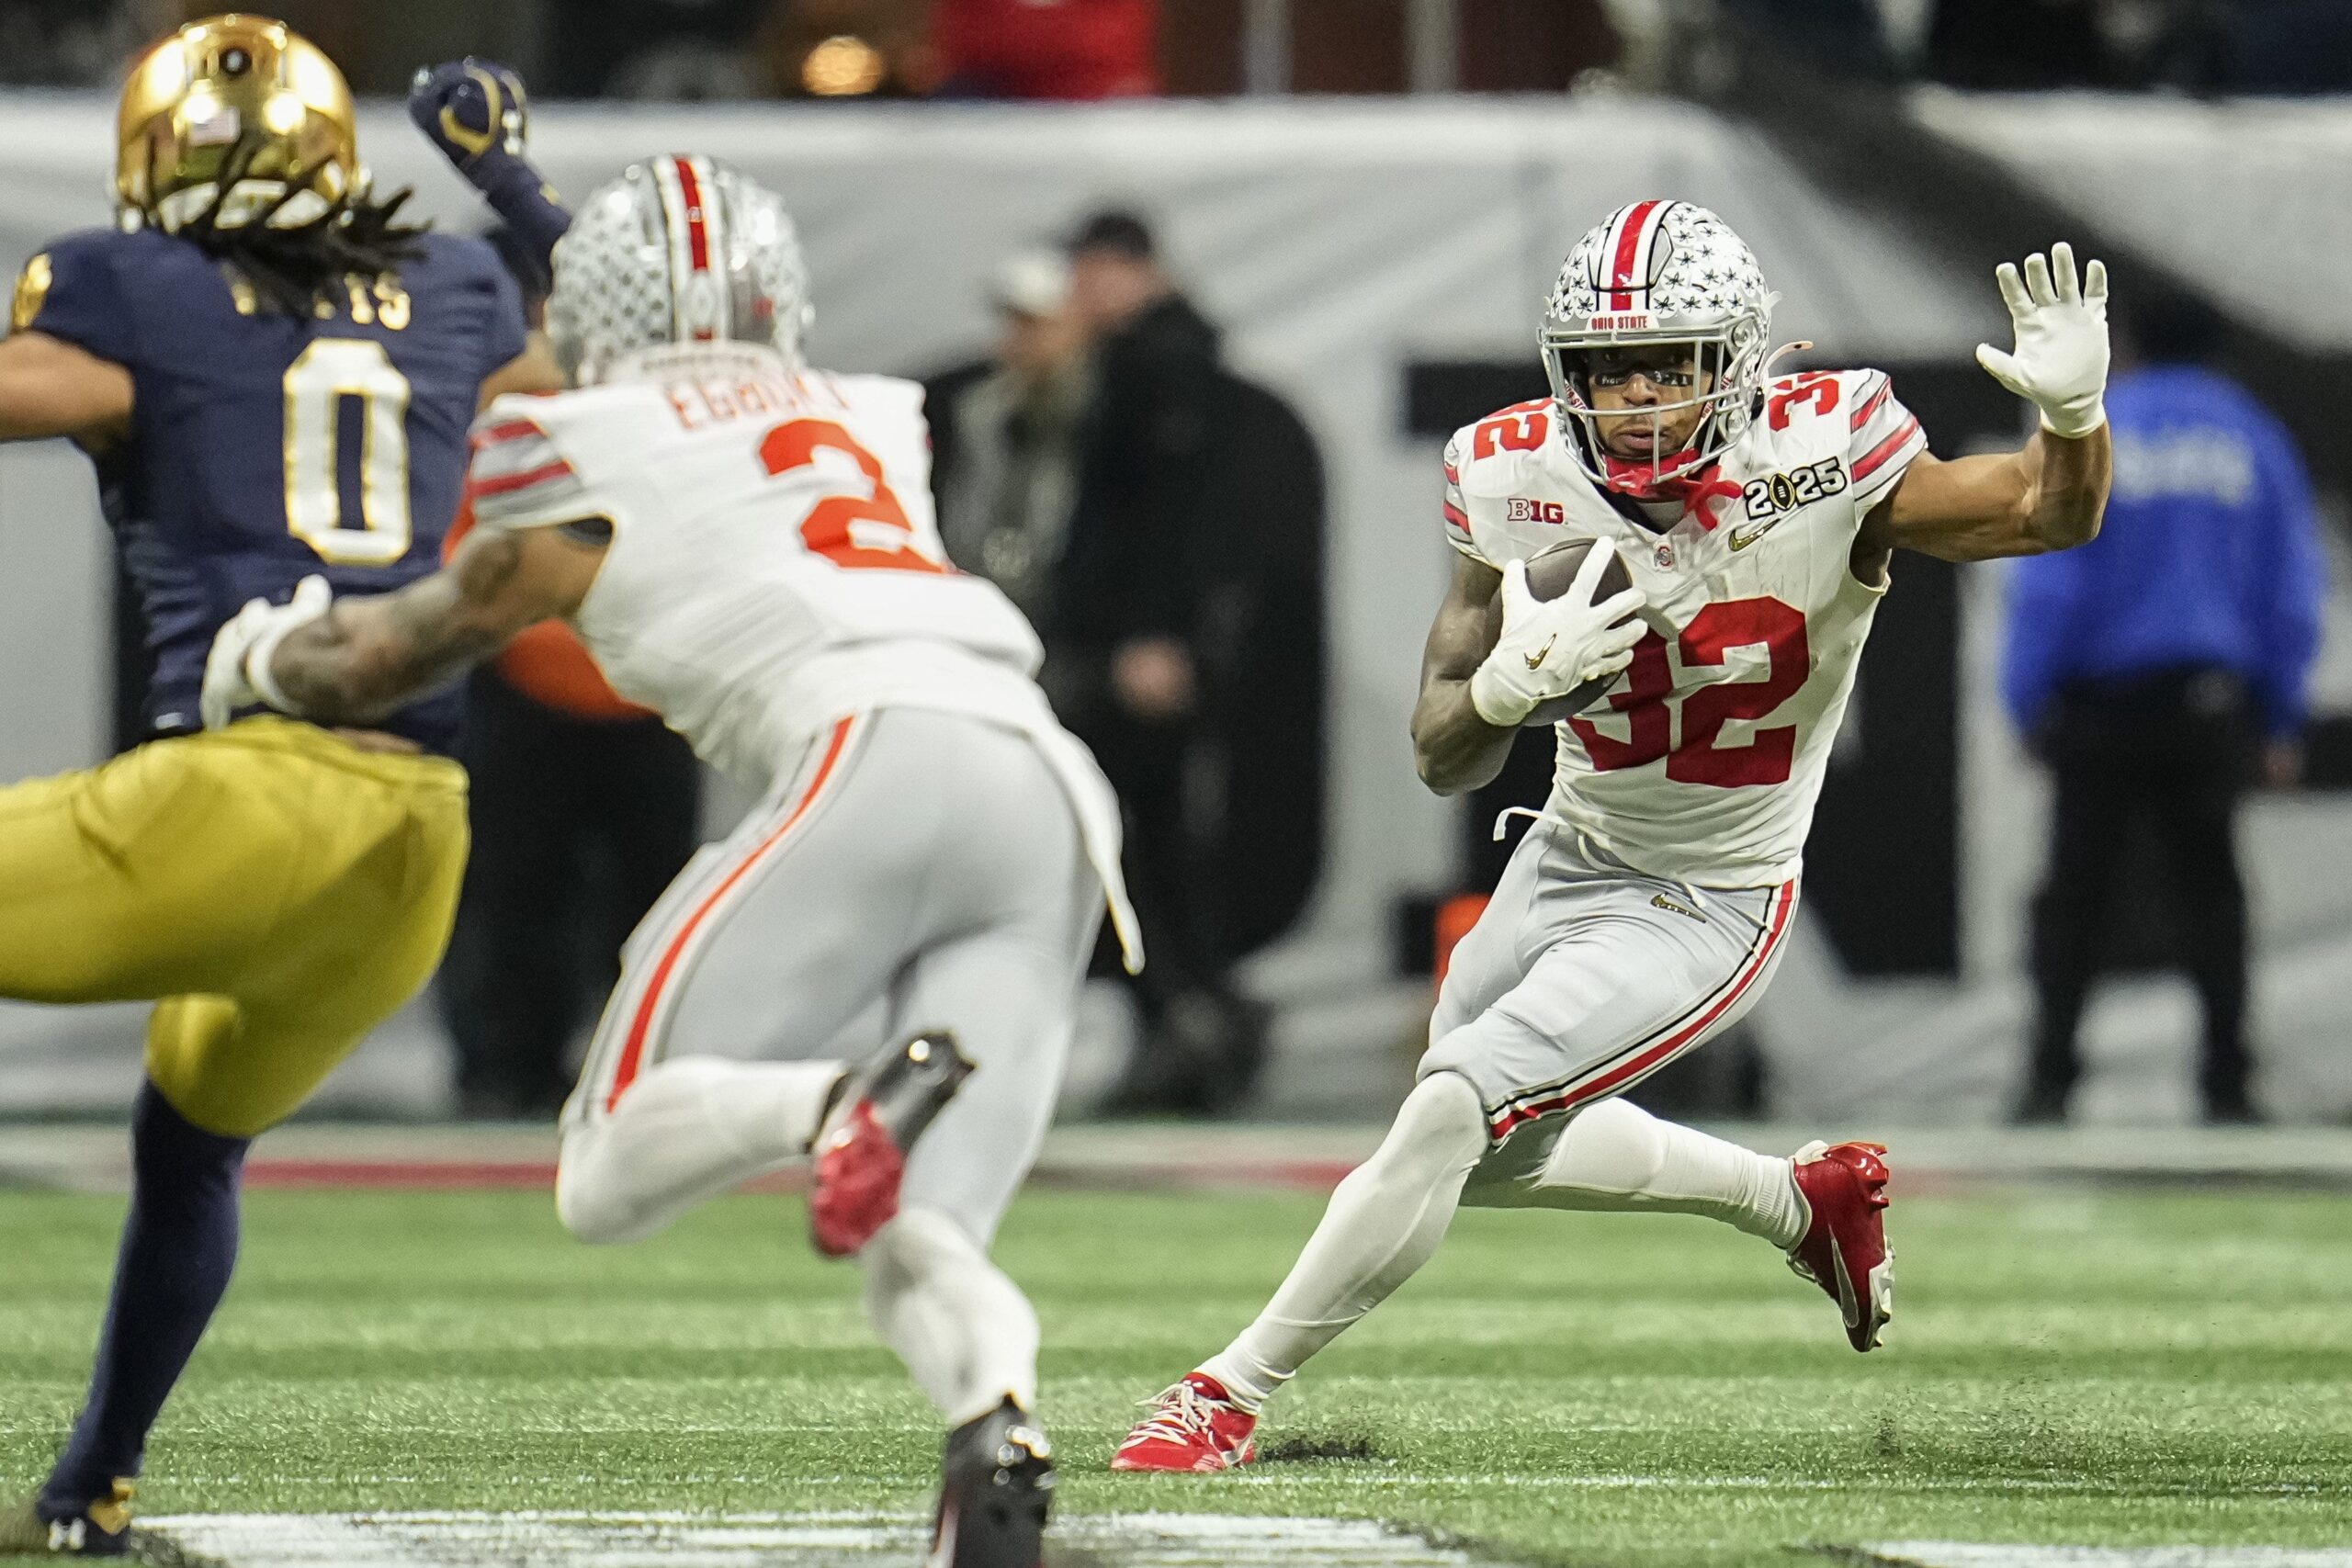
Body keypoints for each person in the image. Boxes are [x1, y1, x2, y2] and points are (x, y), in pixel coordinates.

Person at [200, 152, 1140, 1568]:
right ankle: (994, 1424)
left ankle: (837, 1099)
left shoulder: (567, 442)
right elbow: (702, 378)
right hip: (1045, 785)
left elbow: (392, 653)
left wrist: (254, 657)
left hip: (867, 753)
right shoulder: (874, 415)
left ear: (586, 308)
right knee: (922, 1223)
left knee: (604, 1165)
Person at [1114, 201, 2116, 1472]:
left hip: (1710, 889)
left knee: (1449, 1109)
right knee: (1487, 1148)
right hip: (1566, 851)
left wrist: (2074, 422)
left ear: (1740, 361)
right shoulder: (1512, 475)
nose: (1636, 397)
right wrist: (1499, 693)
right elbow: (1439, 751)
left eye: (1670, 363)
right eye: (1606, 368)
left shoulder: (1830, 453)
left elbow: (2045, 510)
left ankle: (1224, 1392)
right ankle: (1799, 1200)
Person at [0, 17, 546, 1554]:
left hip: (237, 798)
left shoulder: (129, 290)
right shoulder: (454, 285)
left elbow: (33, 390)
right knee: (191, 1147)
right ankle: (91, 1486)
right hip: (411, 849)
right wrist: (518, 191)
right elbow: (596, 378)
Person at [2004, 293, 2325, 1125]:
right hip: (2208, 706)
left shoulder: (2097, 427)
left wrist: (2027, 695)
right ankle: (2227, 1085)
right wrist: (2281, 715)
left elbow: (2048, 573)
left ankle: (2049, 1082)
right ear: (2220, 354)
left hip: (2098, 706)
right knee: (2211, 896)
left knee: (2076, 897)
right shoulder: (2251, 435)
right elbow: (2289, 591)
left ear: (2133, 351)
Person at [1057, 209, 1271, 1113]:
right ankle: (1189, 1015)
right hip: (1138, 643)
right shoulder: (1151, 359)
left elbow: (1171, 522)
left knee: (1147, 844)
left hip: (1147, 651)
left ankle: (1197, 1015)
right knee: (1143, 843)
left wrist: (1158, 634)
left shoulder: (1162, 366)